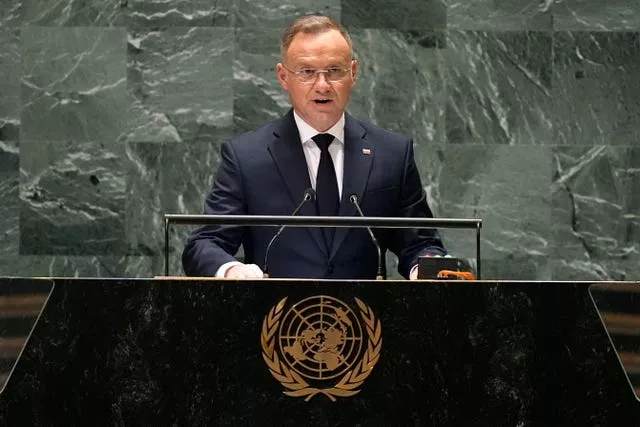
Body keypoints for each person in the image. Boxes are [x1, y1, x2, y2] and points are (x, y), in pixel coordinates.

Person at [182, 14, 447, 280]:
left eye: (334, 71)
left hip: (364, 318)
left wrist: (426, 270)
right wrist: (233, 271)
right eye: (307, 72)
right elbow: (205, 243)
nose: (322, 85)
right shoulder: (247, 157)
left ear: (353, 73)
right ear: (284, 77)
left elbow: (422, 244)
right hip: (278, 318)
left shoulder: (392, 154)